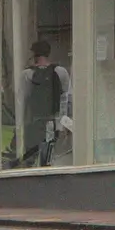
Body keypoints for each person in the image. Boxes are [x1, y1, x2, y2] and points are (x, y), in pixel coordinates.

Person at [20, 39, 71, 167]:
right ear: (48, 53)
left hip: (34, 123)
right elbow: (66, 98)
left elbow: (22, 99)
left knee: (30, 159)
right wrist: (63, 124)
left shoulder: (27, 74)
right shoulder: (60, 72)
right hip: (53, 122)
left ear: (34, 55)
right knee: (49, 157)